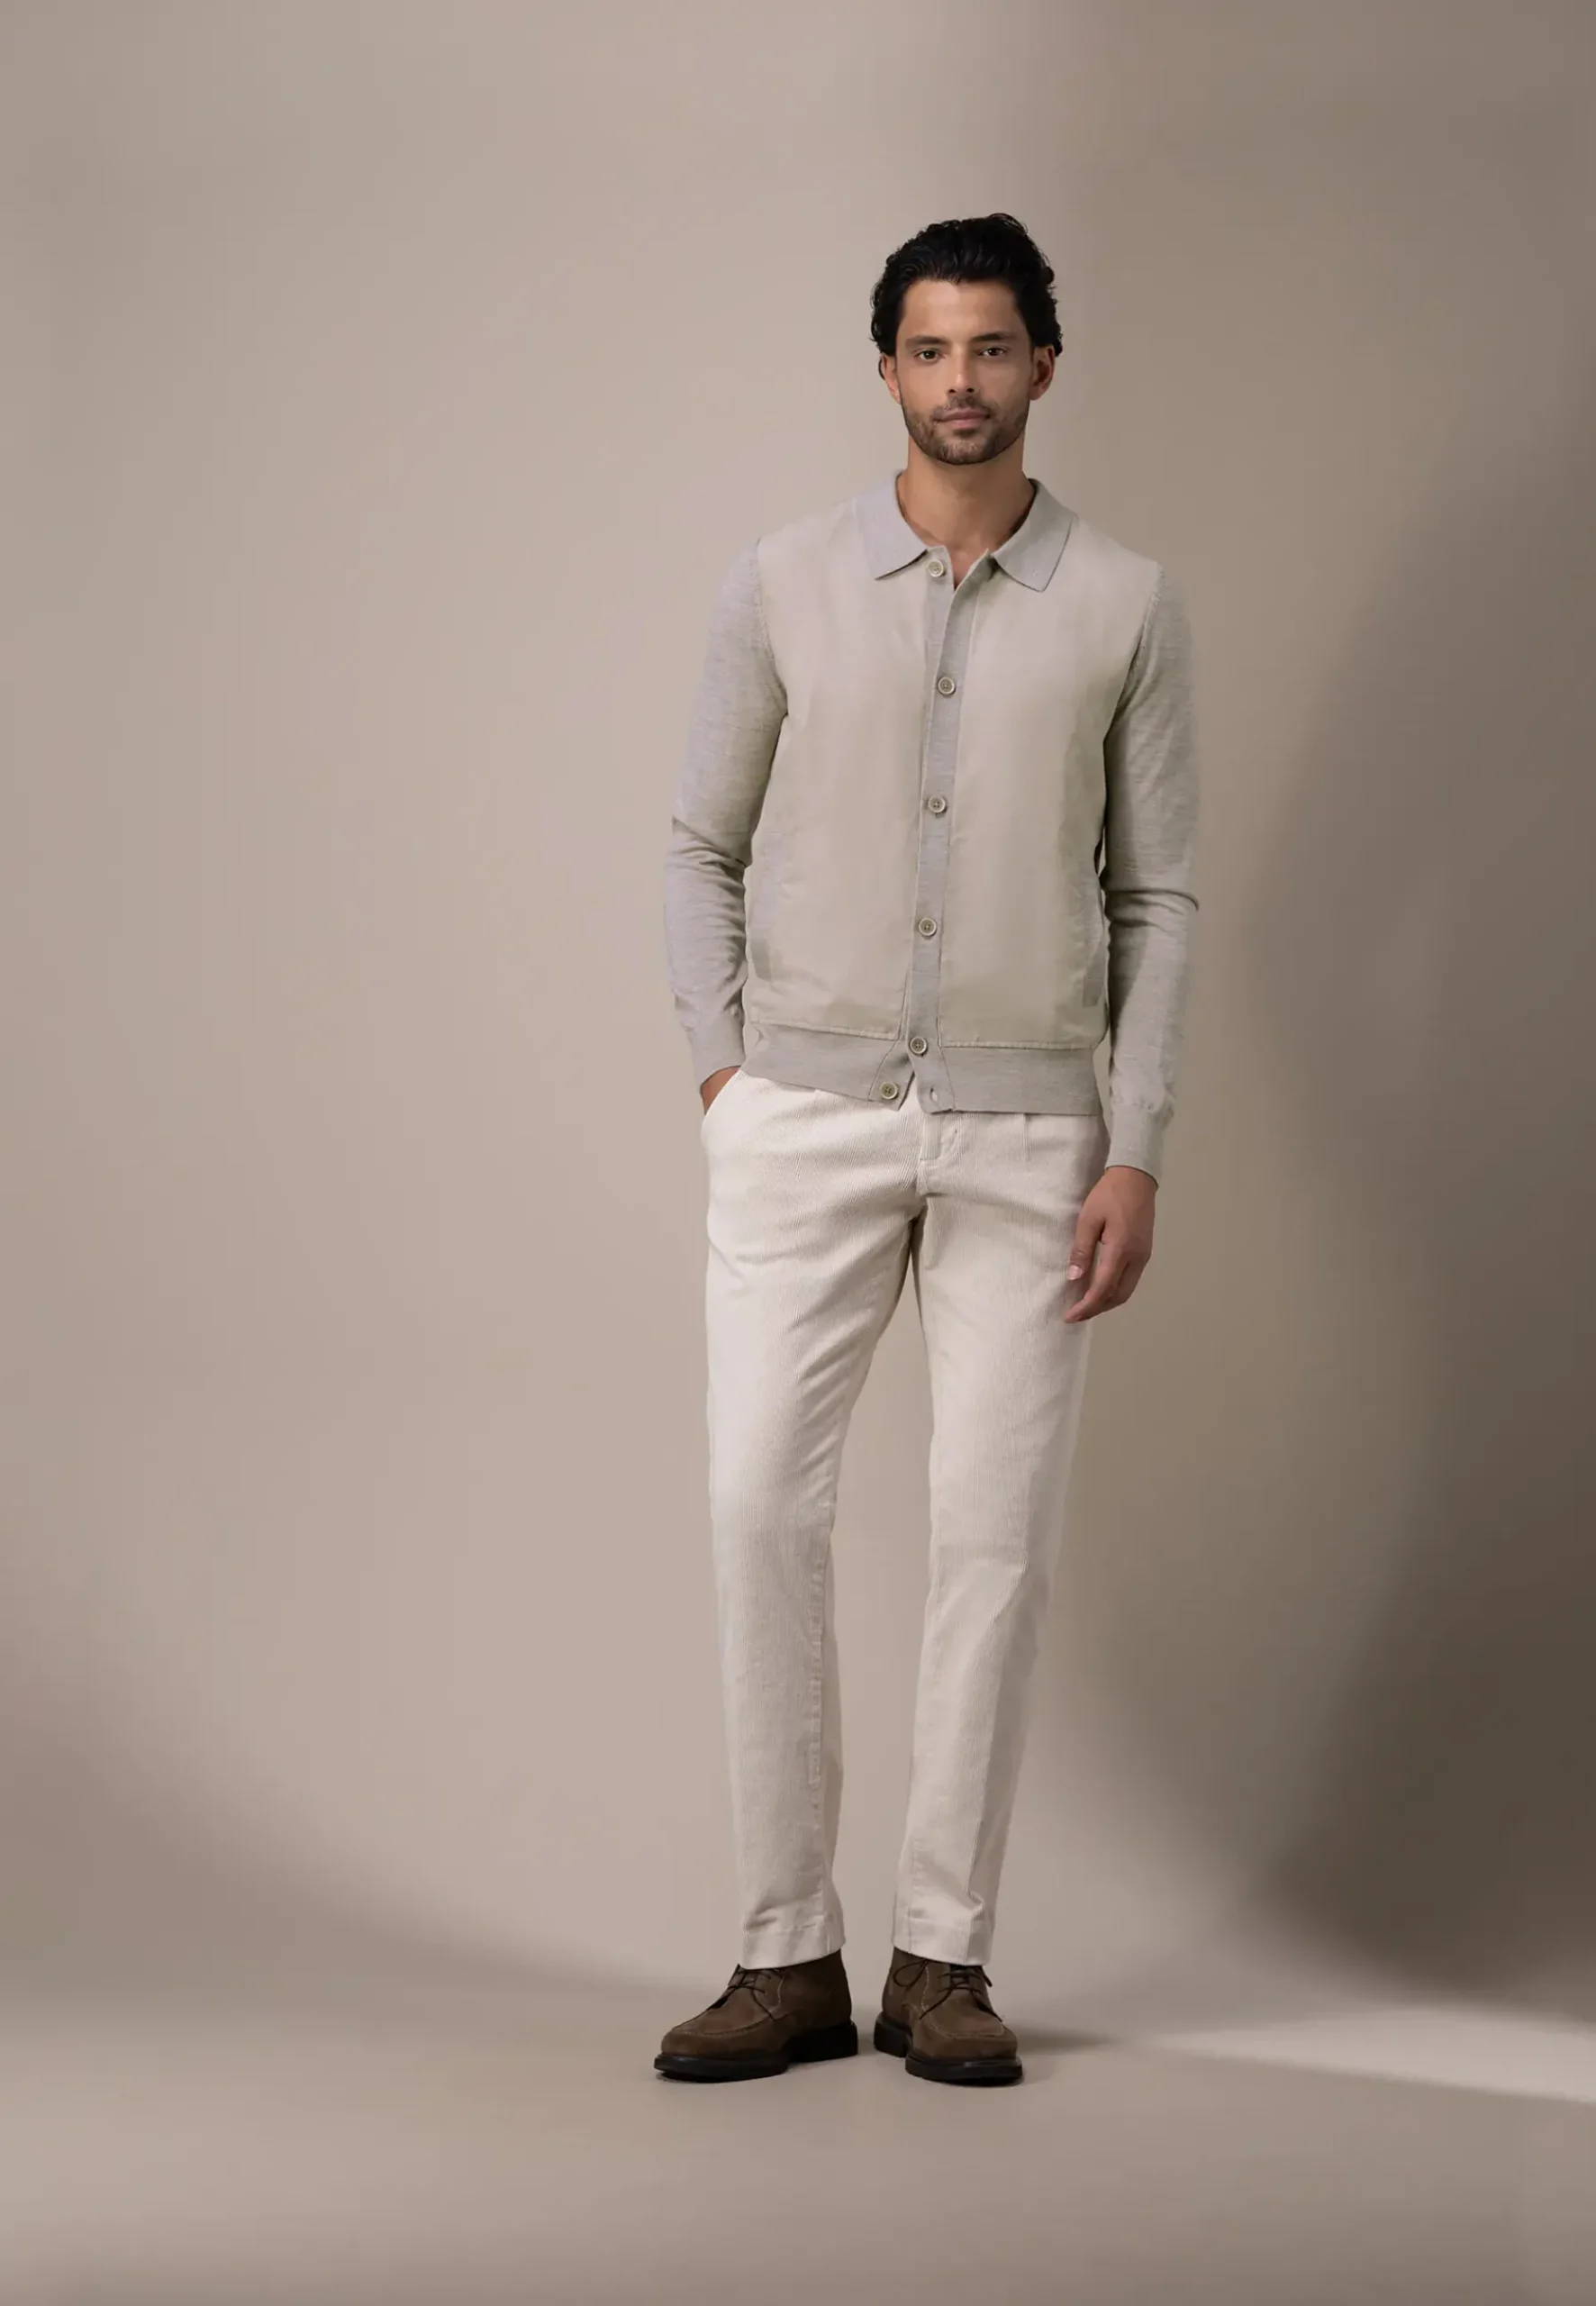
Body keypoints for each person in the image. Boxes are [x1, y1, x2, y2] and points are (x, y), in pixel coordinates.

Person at [657, 213, 1199, 2086]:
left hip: (1031, 1136)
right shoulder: (783, 580)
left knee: (993, 1540)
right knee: (758, 1507)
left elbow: (1159, 894)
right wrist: (727, 1075)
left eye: (992, 346)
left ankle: (940, 1958)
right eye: (929, 348)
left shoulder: (1125, 603)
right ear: (884, 367)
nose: (960, 380)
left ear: (1045, 361)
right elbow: (697, 842)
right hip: (800, 1120)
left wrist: (1135, 1143)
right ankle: (783, 1955)